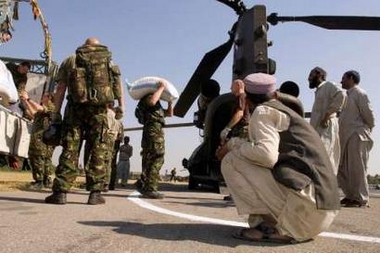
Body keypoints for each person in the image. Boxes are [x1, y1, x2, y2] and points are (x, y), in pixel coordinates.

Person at [216, 73, 340, 243]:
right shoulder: (287, 113)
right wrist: (237, 143)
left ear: (248, 100)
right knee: (245, 155)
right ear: (274, 95)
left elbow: (266, 155)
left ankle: (270, 226)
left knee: (231, 161)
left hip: (306, 215)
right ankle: (278, 223)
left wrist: (231, 146)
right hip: (323, 209)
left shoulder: (263, 111)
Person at [45, 37, 124, 205]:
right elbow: (118, 88)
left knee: (70, 148)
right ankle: (95, 194)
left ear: (84, 46)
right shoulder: (108, 61)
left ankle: (61, 192)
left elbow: (60, 88)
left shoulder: (71, 59)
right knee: (98, 149)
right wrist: (121, 108)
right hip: (100, 111)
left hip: (75, 109)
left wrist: (55, 113)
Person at [338, 70, 375, 208]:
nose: (341, 81)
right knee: (344, 168)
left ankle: (361, 198)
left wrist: (368, 128)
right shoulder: (346, 96)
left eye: (343, 78)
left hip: (357, 134)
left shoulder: (360, 93)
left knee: (357, 168)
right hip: (345, 136)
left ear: (351, 78)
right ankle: (351, 196)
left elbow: (369, 115)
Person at [134, 80, 173, 199]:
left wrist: (170, 102)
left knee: (149, 158)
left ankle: (143, 183)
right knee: (157, 157)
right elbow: (152, 101)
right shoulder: (149, 97)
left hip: (154, 130)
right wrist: (161, 88)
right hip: (153, 130)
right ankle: (150, 188)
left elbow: (169, 114)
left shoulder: (157, 105)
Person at [308, 67, 345, 175]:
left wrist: (327, 115)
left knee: (324, 157)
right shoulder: (320, 90)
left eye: (311, 75)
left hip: (326, 127)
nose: (308, 78)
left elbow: (341, 95)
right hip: (319, 129)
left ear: (319, 75)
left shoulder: (329, 85)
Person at [20, 91, 55, 188]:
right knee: (43, 159)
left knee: (37, 158)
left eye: (44, 96)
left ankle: (39, 181)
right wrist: (25, 103)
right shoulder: (43, 110)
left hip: (41, 139)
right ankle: (46, 180)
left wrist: (28, 99)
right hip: (40, 139)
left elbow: (39, 108)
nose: (42, 97)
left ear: (49, 98)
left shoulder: (51, 106)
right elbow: (33, 113)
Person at [219, 79, 251, 144]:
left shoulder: (241, 96)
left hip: (241, 129)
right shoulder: (243, 97)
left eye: (232, 86)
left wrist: (227, 128)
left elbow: (240, 113)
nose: (230, 88)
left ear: (238, 85)